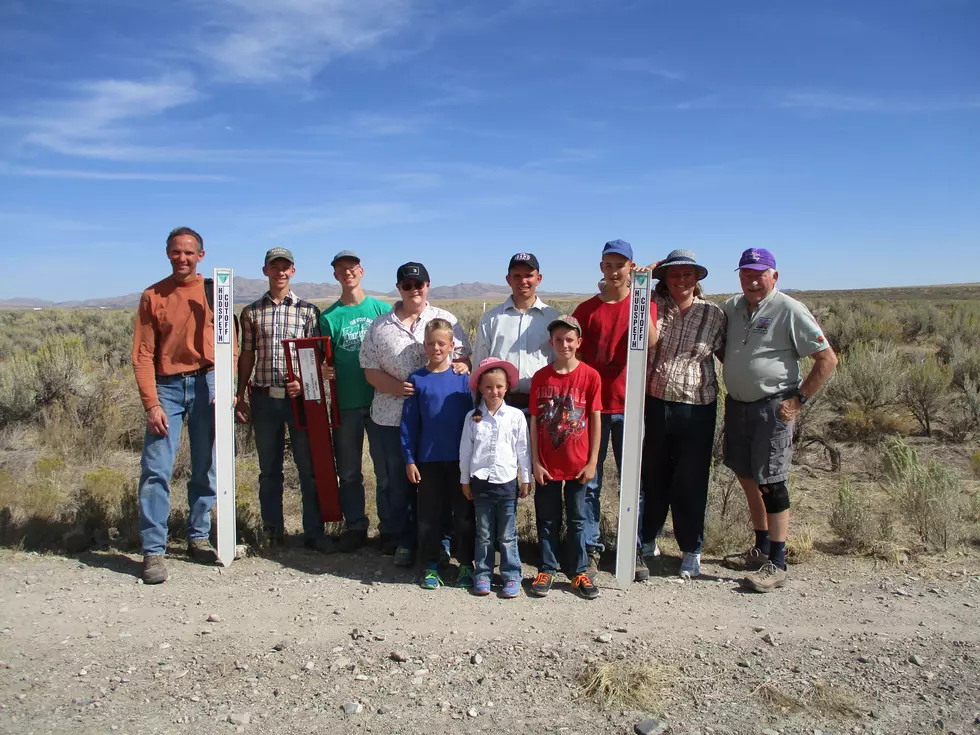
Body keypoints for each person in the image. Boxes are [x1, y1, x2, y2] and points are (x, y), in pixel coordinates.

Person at [720, 248, 838, 592]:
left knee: (771, 482)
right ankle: (761, 547)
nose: (752, 281)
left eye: (760, 274)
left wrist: (799, 400)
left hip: (773, 408)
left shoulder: (789, 309)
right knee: (746, 476)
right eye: (746, 274)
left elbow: (827, 359)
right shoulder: (733, 307)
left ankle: (779, 561)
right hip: (738, 407)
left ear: (774, 276)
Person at [360, 262, 472, 567]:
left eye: (419, 284)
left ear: (428, 285)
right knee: (396, 481)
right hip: (389, 416)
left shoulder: (445, 320)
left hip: (436, 422)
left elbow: (463, 359)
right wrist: (398, 388)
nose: (414, 290)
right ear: (399, 288)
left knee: (437, 487)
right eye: (407, 285)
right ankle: (402, 540)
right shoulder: (380, 326)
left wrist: (463, 365)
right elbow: (369, 370)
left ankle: (442, 543)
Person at [132, 226, 223, 584]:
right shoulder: (153, 295)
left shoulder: (216, 293)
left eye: (189, 252)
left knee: (206, 465)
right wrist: (151, 403)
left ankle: (198, 537)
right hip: (167, 387)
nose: (182, 258)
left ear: (201, 255)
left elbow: (229, 342)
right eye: (175, 252)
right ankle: (153, 550)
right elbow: (142, 354)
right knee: (156, 469)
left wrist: (226, 385)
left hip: (206, 383)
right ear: (168, 254)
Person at [638, 250, 726, 581]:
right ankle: (648, 539)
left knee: (691, 479)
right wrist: (648, 272)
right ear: (665, 278)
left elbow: (726, 353)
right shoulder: (652, 304)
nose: (681, 280)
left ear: (698, 278)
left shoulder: (713, 314)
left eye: (688, 274)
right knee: (655, 473)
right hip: (657, 399)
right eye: (674, 274)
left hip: (698, 404)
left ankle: (691, 549)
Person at [571, 239, 658, 577]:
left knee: (631, 482)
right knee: (590, 481)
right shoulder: (586, 310)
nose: (614, 271)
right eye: (608, 265)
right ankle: (590, 549)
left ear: (630, 267)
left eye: (620, 265)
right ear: (601, 268)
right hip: (593, 407)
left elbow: (650, 341)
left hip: (629, 405)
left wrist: (642, 292)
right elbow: (575, 358)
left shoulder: (641, 302)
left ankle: (631, 550)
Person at [235, 247, 329, 551]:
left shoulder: (307, 311)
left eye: (285, 267)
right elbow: (246, 355)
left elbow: (312, 354)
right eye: (275, 267)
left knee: (308, 465)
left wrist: (303, 382)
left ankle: (314, 531)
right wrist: (240, 393)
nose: (280, 272)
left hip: (298, 400)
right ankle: (272, 531)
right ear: (265, 271)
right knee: (269, 469)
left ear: (293, 271)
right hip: (264, 398)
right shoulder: (251, 312)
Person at [319, 250, 391, 553]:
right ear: (335, 275)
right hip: (345, 402)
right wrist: (322, 369)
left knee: (385, 470)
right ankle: (355, 526)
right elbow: (321, 359)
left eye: (352, 267)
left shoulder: (381, 309)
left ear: (361, 271)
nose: (347, 272)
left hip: (380, 402)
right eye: (341, 268)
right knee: (349, 472)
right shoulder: (329, 317)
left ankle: (389, 528)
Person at [528, 315, 603, 600]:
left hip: (578, 463)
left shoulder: (590, 377)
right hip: (547, 464)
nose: (564, 344)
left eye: (569, 339)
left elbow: (595, 420)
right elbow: (535, 422)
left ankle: (578, 571)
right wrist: (535, 461)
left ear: (579, 342)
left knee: (578, 519)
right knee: (547, 518)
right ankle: (547, 567)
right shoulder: (541, 378)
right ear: (551, 343)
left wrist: (593, 460)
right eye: (559, 340)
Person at [400, 319, 475, 590]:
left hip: (460, 460)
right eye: (431, 343)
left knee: (464, 514)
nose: (436, 348)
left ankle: (466, 563)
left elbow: (474, 420)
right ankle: (431, 566)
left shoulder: (463, 379)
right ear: (424, 346)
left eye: (441, 343)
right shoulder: (417, 379)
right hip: (428, 460)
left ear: (452, 346)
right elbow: (409, 423)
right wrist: (409, 458)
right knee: (429, 516)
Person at [459, 358, 532, 598]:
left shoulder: (515, 417)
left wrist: (525, 477)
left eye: (499, 386)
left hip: (506, 483)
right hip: (481, 483)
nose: (494, 392)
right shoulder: (472, 417)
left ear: (507, 387)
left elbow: (523, 449)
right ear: (480, 389)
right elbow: (466, 451)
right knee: (485, 532)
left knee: (507, 534)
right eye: (488, 387)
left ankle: (512, 574)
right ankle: (483, 574)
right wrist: (465, 480)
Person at [473, 252, 560, 413]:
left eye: (529, 275)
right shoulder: (492, 319)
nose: (523, 281)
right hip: (500, 407)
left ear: (539, 279)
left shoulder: (553, 318)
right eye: (517, 276)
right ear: (508, 279)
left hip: (543, 406)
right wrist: (478, 409)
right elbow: (480, 366)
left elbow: (561, 362)